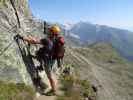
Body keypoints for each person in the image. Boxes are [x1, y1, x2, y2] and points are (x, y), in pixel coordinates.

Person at [16, 25, 64, 95]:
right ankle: (41, 66)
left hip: (47, 60)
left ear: (52, 32)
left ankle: (54, 91)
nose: (48, 31)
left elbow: (34, 41)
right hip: (52, 59)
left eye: (50, 30)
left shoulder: (47, 40)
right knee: (39, 52)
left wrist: (22, 38)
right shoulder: (56, 39)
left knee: (49, 76)